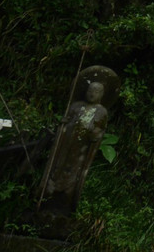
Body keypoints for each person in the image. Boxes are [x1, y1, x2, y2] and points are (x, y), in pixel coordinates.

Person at [39, 81, 108, 214]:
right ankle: (46, 197)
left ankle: (65, 203)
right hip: (65, 144)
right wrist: (63, 125)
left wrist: (95, 134)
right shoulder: (76, 106)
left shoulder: (101, 111)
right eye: (89, 90)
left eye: (95, 91)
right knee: (57, 167)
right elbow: (66, 121)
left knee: (74, 171)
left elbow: (100, 131)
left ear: (101, 94)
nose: (91, 94)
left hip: (81, 150)